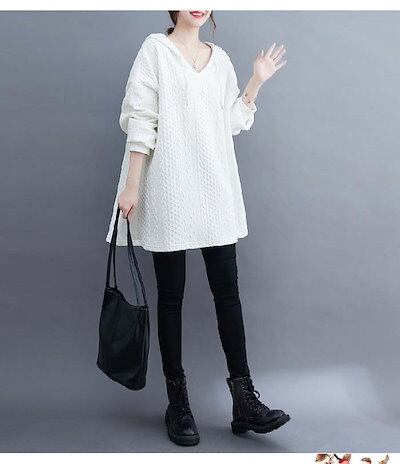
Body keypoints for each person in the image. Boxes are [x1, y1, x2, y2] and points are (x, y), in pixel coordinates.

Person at [105, 10, 290, 446]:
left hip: (214, 190)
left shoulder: (219, 59)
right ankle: (178, 403)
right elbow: (141, 119)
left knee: (228, 295)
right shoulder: (155, 50)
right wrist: (132, 185)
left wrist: (256, 80)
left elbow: (230, 123)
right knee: (171, 297)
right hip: (169, 190)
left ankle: (244, 402)